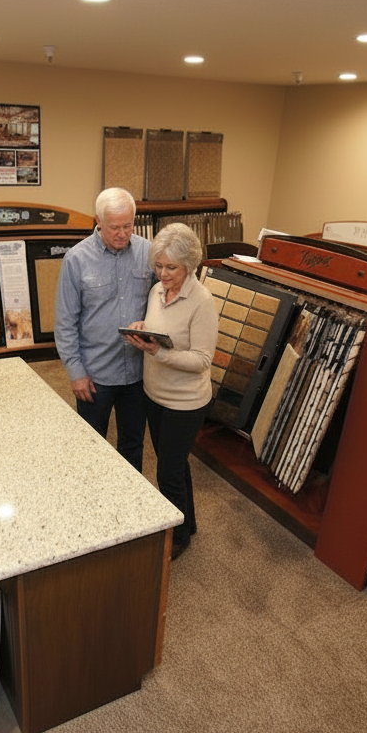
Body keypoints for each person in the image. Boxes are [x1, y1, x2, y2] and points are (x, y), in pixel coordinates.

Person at [125, 222, 218, 559]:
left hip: (186, 402)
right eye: (158, 266)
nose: (162, 274)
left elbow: (202, 360)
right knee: (174, 464)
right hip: (155, 394)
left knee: (167, 472)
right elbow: (160, 330)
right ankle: (187, 522)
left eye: (171, 267)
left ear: (190, 265)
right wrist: (142, 329)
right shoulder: (156, 292)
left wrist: (157, 352)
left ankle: (178, 538)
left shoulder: (202, 301)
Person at [54, 187, 154, 471]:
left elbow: (163, 302)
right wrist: (76, 373)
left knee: (133, 446)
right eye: (114, 228)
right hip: (95, 376)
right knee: (90, 447)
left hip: (137, 374)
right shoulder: (76, 259)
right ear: (97, 221)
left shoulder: (148, 252)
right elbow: (65, 323)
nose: (122, 234)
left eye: (128, 226)